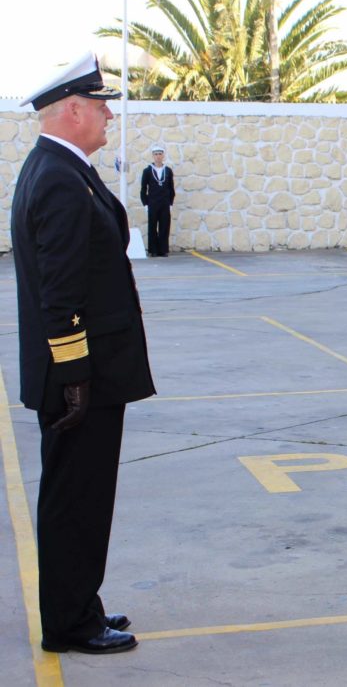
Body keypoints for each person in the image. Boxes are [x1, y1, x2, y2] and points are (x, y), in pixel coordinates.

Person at [12, 52, 155, 654]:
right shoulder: (58, 178)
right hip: (82, 378)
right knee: (77, 500)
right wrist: (74, 376)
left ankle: (79, 604)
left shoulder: (60, 169)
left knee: (81, 498)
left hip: (86, 373)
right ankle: (70, 624)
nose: (109, 116)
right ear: (71, 110)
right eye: (100, 106)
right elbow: (61, 293)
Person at [139, 145, 175, 257]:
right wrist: (145, 204)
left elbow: (171, 188)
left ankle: (163, 250)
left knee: (164, 226)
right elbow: (143, 188)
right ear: (153, 156)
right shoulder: (147, 171)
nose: (158, 156)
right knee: (152, 226)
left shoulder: (168, 171)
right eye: (156, 154)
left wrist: (170, 203)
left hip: (164, 203)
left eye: (160, 154)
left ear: (163, 155)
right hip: (153, 203)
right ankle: (153, 250)